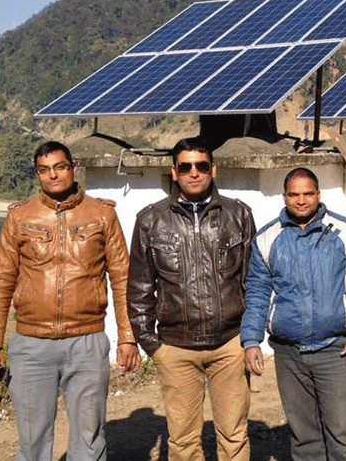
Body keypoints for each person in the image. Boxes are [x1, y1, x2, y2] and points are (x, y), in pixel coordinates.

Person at [0, 140, 139, 461]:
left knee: (89, 438)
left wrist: (128, 337)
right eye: (44, 170)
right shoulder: (20, 218)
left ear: (73, 167)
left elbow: (123, 279)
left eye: (60, 167)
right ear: (38, 174)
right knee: (32, 439)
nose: (53, 175)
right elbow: (0, 284)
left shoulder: (102, 215)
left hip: (87, 342)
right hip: (31, 345)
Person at [128, 137, 256, 461]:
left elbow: (252, 280)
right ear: (174, 172)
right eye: (185, 166)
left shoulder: (239, 214)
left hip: (230, 345)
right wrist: (154, 346)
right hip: (176, 349)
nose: (194, 173)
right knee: (183, 443)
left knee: (234, 436)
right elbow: (139, 287)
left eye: (201, 166)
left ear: (213, 169)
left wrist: (249, 336)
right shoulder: (149, 220)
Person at [241, 167, 346, 461]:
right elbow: (257, 291)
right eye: (294, 194)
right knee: (304, 438)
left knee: (343, 436)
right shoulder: (267, 238)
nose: (301, 200)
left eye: (307, 193)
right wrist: (251, 340)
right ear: (284, 197)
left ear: (318, 194)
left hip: (336, 351)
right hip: (289, 353)